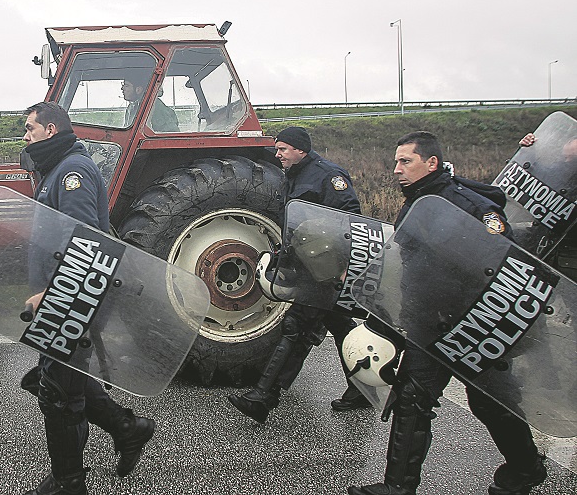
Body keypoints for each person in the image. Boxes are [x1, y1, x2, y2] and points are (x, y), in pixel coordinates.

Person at [349, 131, 546, 495]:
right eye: (396, 162)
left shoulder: (470, 205)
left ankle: (526, 469)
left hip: (474, 325)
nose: (396, 170)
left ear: (431, 163)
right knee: (411, 397)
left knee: (491, 403)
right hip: (430, 322)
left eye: (405, 161)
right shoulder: (416, 202)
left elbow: (503, 261)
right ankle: (399, 486)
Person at [19, 102, 155, 495]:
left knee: (58, 391)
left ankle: (68, 483)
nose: (25, 136)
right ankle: (129, 429)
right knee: (62, 378)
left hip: (71, 294)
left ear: (50, 129)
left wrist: (52, 289)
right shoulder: (55, 169)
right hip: (62, 293)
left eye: (30, 129)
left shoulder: (72, 172)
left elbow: (81, 240)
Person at [227, 126, 371, 423]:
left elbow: (350, 219)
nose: (277, 154)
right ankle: (363, 389)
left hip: (326, 270)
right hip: (309, 265)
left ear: (300, 149)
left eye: (283, 149)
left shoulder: (328, 177)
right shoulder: (292, 176)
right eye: (278, 149)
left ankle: (264, 397)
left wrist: (343, 268)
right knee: (340, 324)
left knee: (297, 327)